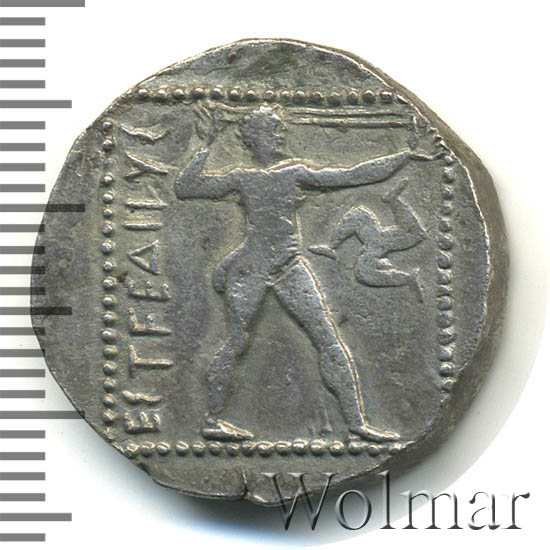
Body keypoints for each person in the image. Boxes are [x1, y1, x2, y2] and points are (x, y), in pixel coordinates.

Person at [175, 105, 442, 442]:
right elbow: (185, 187)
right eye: (273, 130)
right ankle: (212, 421)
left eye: (279, 129)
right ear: (255, 137)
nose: (280, 135)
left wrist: (404, 155)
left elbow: (353, 175)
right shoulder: (244, 177)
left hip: (288, 265)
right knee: (236, 341)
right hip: (251, 267)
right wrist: (207, 142)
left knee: (328, 338)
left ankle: (357, 423)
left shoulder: (291, 172)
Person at [310, 178, 427, 302]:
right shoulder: (373, 253)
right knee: (413, 234)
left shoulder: (372, 249)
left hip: (375, 243)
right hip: (377, 245)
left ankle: (331, 245)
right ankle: (393, 200)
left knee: (362, 218)